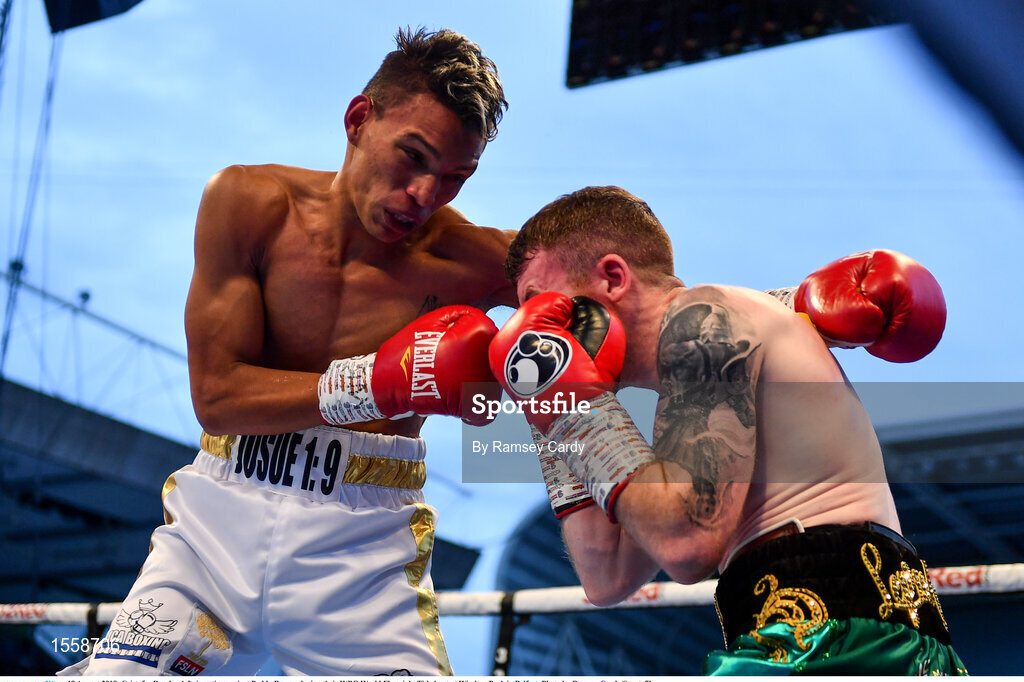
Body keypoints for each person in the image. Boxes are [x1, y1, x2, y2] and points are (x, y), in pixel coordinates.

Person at [60, 27, 514, 676]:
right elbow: (216, 396)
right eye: (413, 156)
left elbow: (605, 309)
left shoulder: (475, 260)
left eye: (454, 178)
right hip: (219, 525)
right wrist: (379, 385)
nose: (425, 195)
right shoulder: (249, 205)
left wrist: (508, 374)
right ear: (359, 120)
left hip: (363, 552)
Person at [488, 185, 966, 675]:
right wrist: (549, 411)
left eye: (539, 305)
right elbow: (605, 576)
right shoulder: (683, 403)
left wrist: (578, 411)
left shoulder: (705, 318)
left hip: (839, 637)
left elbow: (686, 544)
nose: (533, 334)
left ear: (613, 277)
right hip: (816, 638)